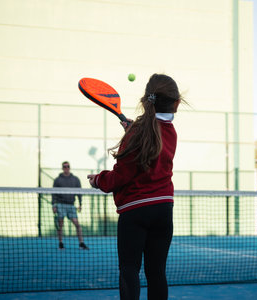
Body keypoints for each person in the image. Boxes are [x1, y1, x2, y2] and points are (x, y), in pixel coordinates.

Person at [87, 74, 182, 300]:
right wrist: (133, 130)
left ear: (146, 100)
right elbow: (151, 141)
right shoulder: (171, 132)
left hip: (135, 212)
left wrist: (99, 180)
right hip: (163, 210)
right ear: (176, 103)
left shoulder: (138, 133)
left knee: (129, 270)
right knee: (156, 273)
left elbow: (121, 176)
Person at [52, 161, 89, 250]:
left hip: (71, 206)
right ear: (62, 168)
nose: (66, 168)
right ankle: (61, 243)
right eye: (64, 166)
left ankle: (81, 243)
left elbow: (79, 192)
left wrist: (80, 204)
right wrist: (53, 205)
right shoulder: (57, 180)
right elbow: (53, 194)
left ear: (69, 167)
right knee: (60, 225)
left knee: (77, 224)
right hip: (60, 205)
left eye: (67, 166)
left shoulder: (75, 179)